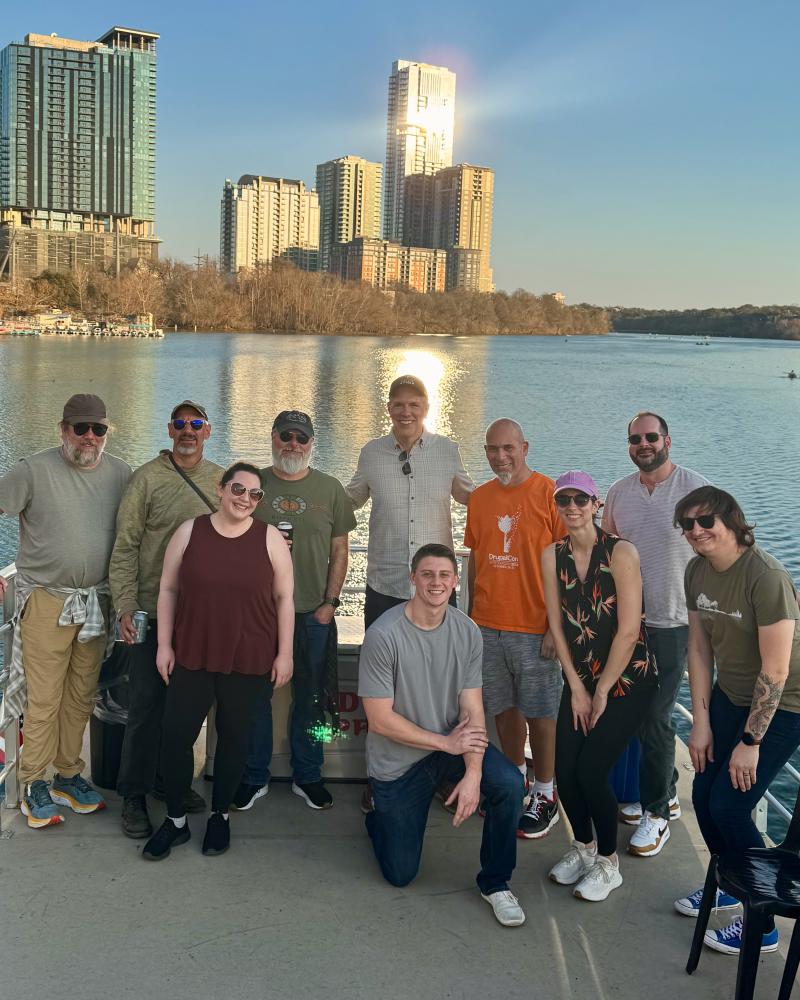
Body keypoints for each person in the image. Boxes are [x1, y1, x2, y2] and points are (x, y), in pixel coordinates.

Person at [359, 543, 526, 927]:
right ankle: (379, 819)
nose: (436, 582)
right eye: (428, 574)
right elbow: (380, 720)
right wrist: (446, 743)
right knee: (399, 875)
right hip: (400, 760)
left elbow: (472, 708)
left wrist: (473, 773)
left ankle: (496, 882)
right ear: (412, 578)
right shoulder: (384, 635)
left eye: (444, 575)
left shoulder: (466, 631)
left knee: (510, 784)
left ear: (455, 582)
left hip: (451, 746)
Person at [141, 462, 294, 861]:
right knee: (175, 738)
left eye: (254, 494)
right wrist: (164, 645)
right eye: (238, 489)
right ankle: (175, 821)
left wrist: (285, 653)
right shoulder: (189, 532)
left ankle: (219, 816)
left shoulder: (270, 538)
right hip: (192, 651)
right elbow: (168, 589)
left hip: (250, 655)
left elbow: (284, 600)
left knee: (234, 740)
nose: (245, 499)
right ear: (222, 489)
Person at [673, 486, 800, 956]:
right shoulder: (696, 570)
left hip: (783, 705)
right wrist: (700, 723)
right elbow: (700, 650)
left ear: (733, 520)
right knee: (704, 791)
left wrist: (750, 741)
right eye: (687, 525)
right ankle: (732, 880)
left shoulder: (765, 577)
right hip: (729, 696)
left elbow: (777, 670)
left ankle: (761, 921)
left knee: (729, 805)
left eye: (706, 521)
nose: (697, 532)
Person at [0, 394, 131, 827]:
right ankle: (33, 781)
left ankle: (68, 774)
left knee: (80, 696)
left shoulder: (121, 474)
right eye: (81, 428)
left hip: (98, 602)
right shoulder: (32, 471)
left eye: (98, 429)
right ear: (63, 430)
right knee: (43, 698)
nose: (90, 438)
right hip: (46, 601)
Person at [109, 400, 223, 839]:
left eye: (196, 424)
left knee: (186, 709)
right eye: (180, 424)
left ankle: (164, 779)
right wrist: (124, 607)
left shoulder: (219, 481)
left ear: (208, 431)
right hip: (150, 614)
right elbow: (125, 548)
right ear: (170, 429)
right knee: (144, 709)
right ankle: (134, 795)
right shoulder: (146, 480)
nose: (188, 431)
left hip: (199, 619)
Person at [232, 411, 356, 812]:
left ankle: (309, 774)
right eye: (285, 436)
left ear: (311, 444)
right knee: (255, 698)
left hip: (313, 614)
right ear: (272, 438)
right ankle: (254, 776)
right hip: (260, 615)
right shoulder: (253, 485)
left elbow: (340, 550)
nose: (293, 444)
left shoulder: (331, 488)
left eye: (301, 438)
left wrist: (330, 603)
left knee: (313, 699)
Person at [543, 472, 657, 902]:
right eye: (563, 500)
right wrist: (575, 686)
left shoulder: (621, 552)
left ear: (596, 504)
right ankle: (584, 848)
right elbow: (555, 624)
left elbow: (628, 632)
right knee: (564, 771)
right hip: (580, 679)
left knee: (591, 771)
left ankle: (609, 863)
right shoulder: (551, 556)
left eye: (580, 499)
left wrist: (602, 689)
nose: (571, 507)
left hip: (627, 679)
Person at [602, 411, 708, 857]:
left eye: (651, 437)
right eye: (635, 439)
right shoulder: (618, 493)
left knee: (656, 716)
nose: (643, 444)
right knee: (636, 713)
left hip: (674, 623)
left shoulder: (695, 488)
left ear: (667, 439)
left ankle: (658, 813)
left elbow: (725, 546)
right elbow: (604, 554)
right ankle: (663, 790)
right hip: (628, 625)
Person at [464, 418, 563, 839]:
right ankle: (515, 781)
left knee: (541, 713)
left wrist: (556, 629)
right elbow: (475, 557)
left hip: (534, 627)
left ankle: (546, 793)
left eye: (508, 448)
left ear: (525, 447)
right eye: (492, 449)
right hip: (487, 624)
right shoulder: (480, 498)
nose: (500, 457)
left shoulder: (551, 494)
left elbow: (568, 567)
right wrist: (470, 616)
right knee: (503, 710)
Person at [346, 375, 473, 629]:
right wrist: (310, 495)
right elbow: (349, 500)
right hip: (385, 584)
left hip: (436, 585)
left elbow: (471, 497)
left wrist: (518, 498)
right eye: (399, 404)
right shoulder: (371, 453)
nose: (406, 412)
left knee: (439, 664)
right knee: (382, 665)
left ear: (426, 408)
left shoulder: (447, 451)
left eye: (414, 405)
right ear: (389, 408)